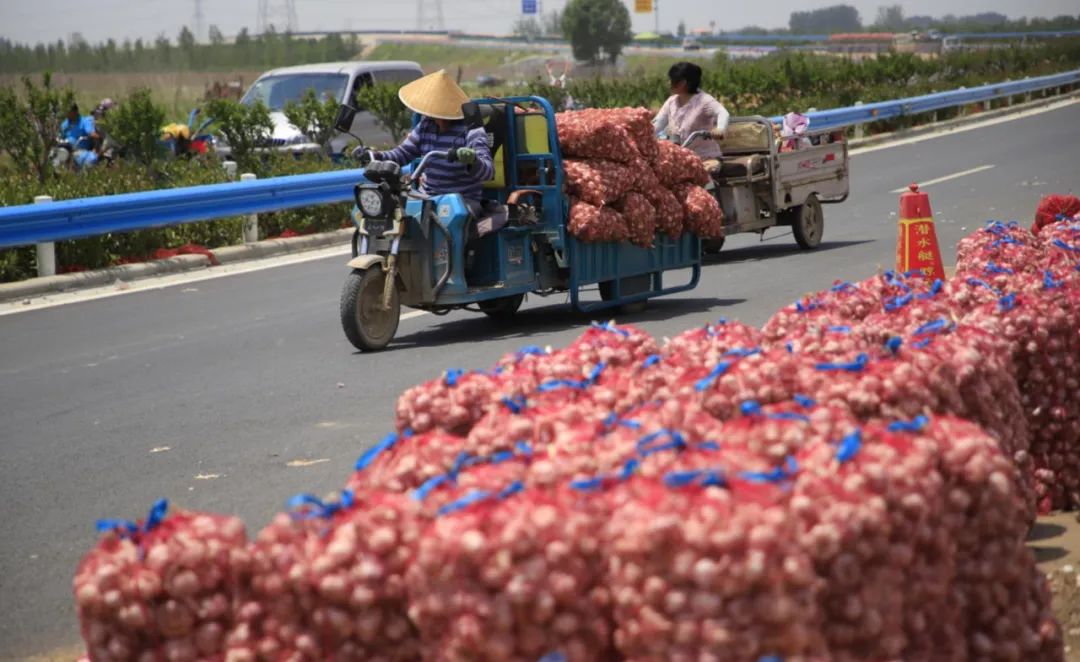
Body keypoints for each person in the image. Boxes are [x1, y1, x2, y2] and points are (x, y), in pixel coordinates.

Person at [357, 70, 499, 229]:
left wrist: (473, 160)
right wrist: (375, 155)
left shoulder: (471, 128)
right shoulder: (426, 125)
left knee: (450, 224)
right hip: (426, 198)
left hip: (461, 201)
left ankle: (456, 255)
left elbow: (488, 171)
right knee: (392, 215)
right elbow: (402, 154)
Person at [652, 62, 730, 171]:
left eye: (671, 79)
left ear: (682, 83)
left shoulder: (704, 101)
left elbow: (723, 113)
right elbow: (657, 124)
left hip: (704, 158)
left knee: (702, 176)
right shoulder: (671, 102)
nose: (668, 82)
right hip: (679, 158)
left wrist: (720, 129)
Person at [59, 103, 100, 169]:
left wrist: (95, 149)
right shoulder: (65, 124)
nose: (66, 114)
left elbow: (94, 135)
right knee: (53, 158)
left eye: (69, 112)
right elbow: (59, 136)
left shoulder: (84, 121)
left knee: (91, 159)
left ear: (75, 112)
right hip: (65, 151)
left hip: (80, 152)